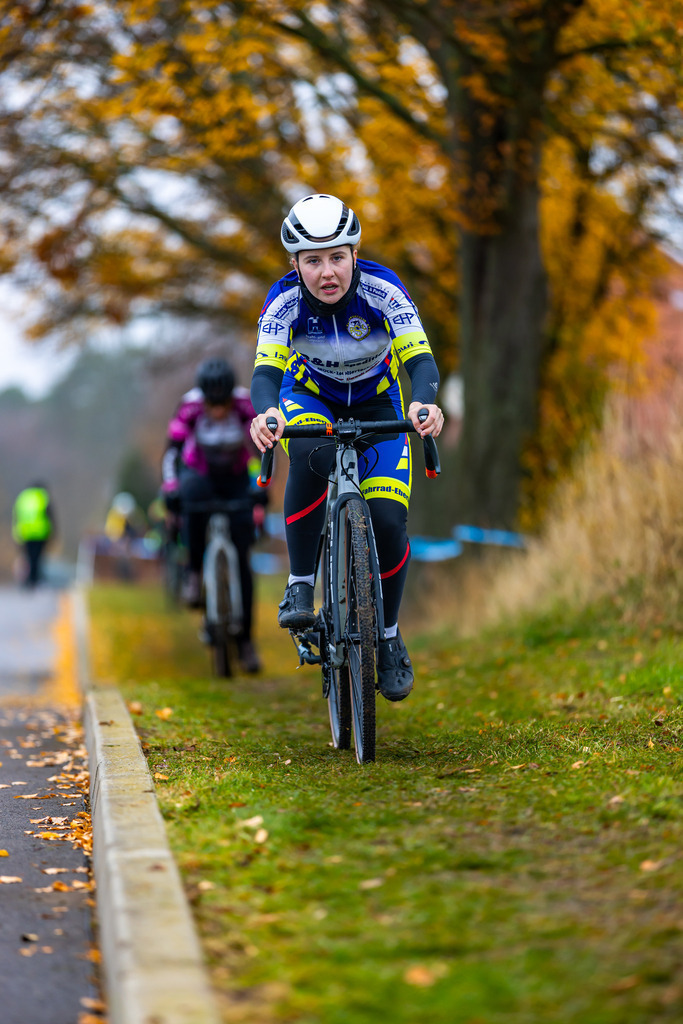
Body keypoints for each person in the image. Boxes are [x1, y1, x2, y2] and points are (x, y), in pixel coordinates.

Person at [250, 193, 444, 702]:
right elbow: (266, 374)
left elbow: (421, 364)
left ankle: (387, 637)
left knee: (385, 520)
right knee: (313, 452)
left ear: (355, 254)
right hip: (309, 398)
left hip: (379, 406)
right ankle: (299, 582)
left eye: (337, 256)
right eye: (313, 261)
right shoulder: (282, 301)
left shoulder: (384, 290)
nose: (327, 272)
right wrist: (267, 413)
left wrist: (423, 406)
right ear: (295, 264)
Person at [161, 357, 263, 674]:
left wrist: (261, 484)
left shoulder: (246, 404)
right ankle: (193, 573)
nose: (218, 411)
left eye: (222, 404)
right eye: (212, 404)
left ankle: (245, 640)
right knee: (191, 504)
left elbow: (262, 448)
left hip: (234, 475)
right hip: (199, 472)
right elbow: (172, 451)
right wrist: (171, 487)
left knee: (243, 558)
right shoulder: (189, 407)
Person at [12, 481, 56, 588]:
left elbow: (16, 516)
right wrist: (53, 532)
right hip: (40, 533)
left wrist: (16, 534)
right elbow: (49, 515)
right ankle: (35, 580)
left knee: (28, 558)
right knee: (37, 558)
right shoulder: (42, 496)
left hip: (25, 533)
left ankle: (27, 580)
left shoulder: (23, 497)